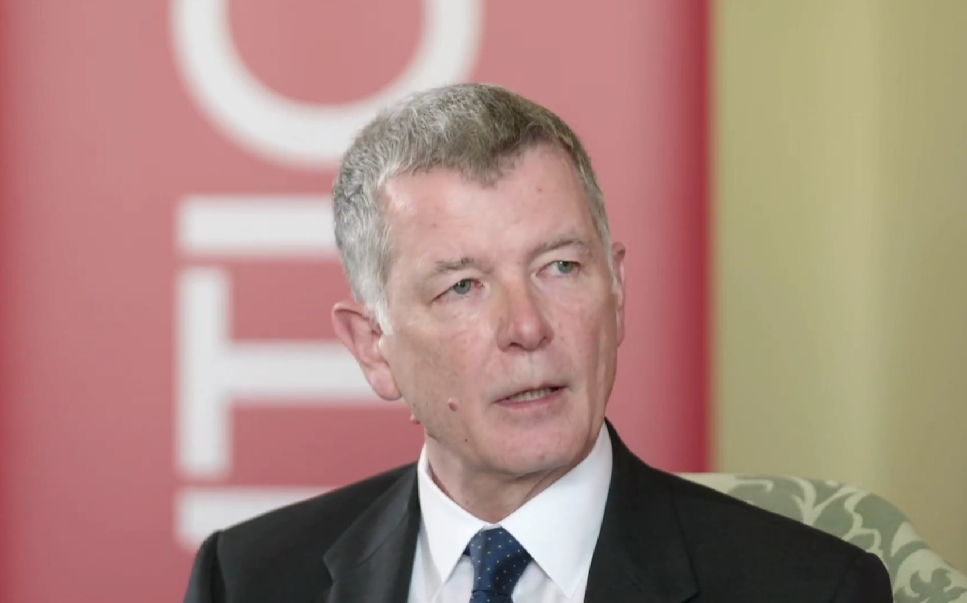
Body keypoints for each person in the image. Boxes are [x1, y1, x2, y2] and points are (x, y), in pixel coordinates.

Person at [183, 84, 892, 603]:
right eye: (462, 286)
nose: (527, 326)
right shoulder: (247, 579)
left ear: (617, 290)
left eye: (560, 267)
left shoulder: (809, 587)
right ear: (373, 347)